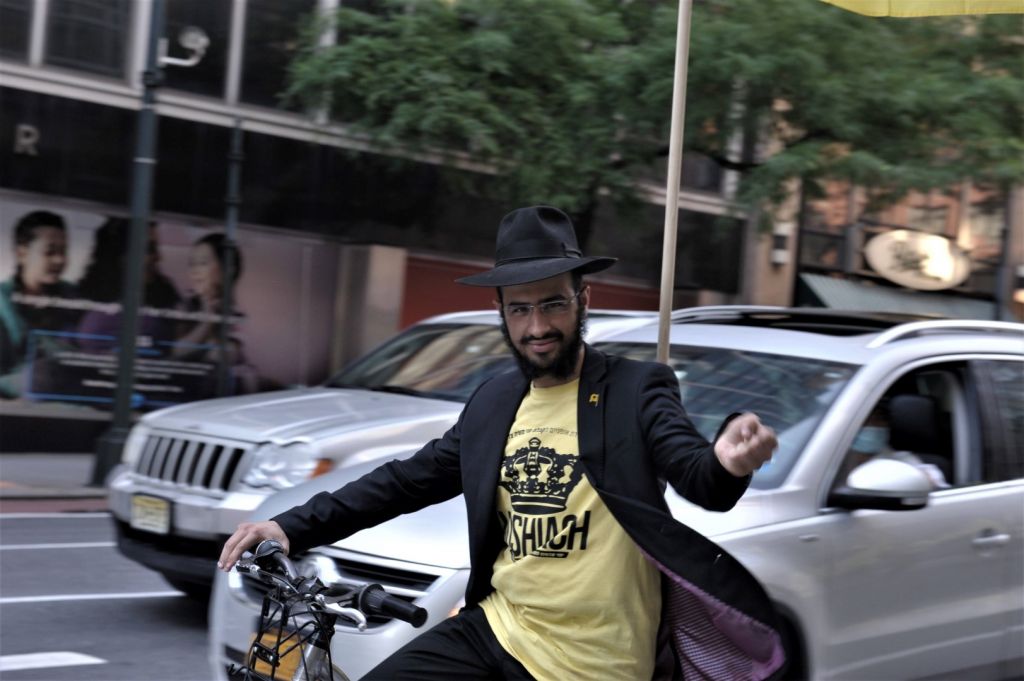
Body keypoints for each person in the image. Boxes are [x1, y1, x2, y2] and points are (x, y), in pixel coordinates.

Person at [219, 206, 786, 680]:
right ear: (501, 311)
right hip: (497, 630)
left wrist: (727, 461)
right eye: (520, 308)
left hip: (594, 664)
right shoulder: (496, 399)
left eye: (553, 303)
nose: (537, 326)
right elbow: (408, 480)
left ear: (582, 299)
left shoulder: (635, 390)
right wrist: (292, 526)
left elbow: (699, 477)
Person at [0, 210, 79, 397]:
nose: (59, 260)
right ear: (22, 253)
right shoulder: (3, 303)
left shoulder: (73, 296)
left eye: (63, 251)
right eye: (49, 252)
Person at [75, 217, 182, 351]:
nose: (159, 257)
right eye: (149, 249)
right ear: (121, 256)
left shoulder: (165, 292)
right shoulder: (83, 306)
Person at [171, 233, 258, 394]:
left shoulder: (236, 315)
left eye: (203, 263)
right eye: (192, 264)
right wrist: (207, 320)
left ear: (227, 270)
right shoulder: (184, 306)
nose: (195, 271)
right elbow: (177, 351)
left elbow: (226, 355)